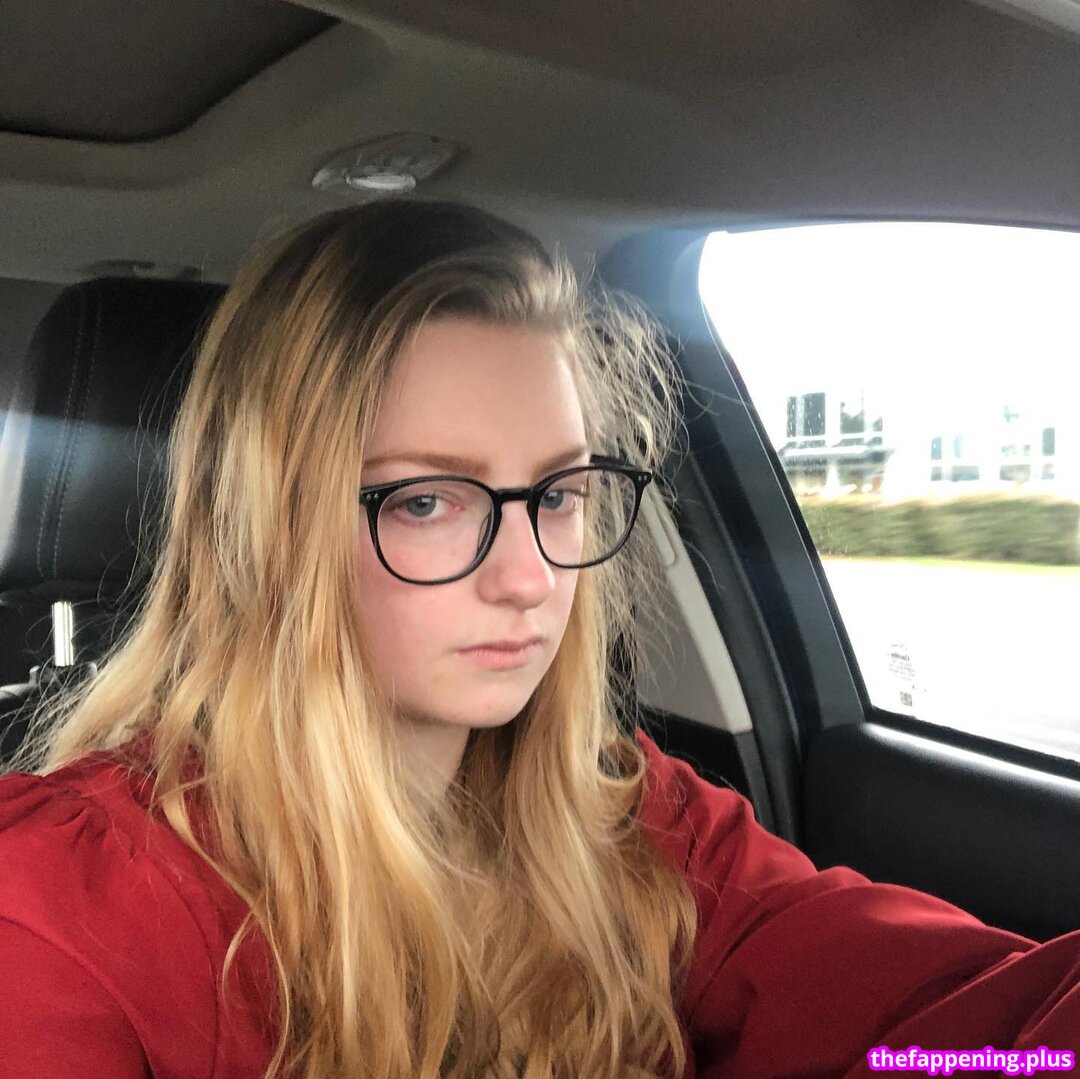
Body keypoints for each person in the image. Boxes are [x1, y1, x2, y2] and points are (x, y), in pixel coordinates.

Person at [0, 200, 1076, 1079]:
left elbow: (977, 1037)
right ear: (267, 530)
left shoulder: (634, 824)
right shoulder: (60, 912)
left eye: (558, 493)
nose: (530, 578)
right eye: (426, 500)